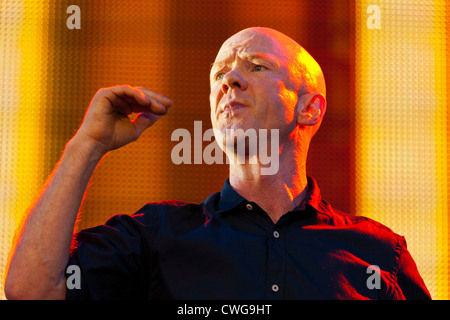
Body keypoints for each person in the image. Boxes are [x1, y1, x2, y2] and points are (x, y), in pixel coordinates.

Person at [5, 27, 431, 300]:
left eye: (257, 66)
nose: (230, 80)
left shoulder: (378, 254)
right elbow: (31, 292)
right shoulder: (154, 238)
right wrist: (87, 145)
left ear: (309, 110)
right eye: (220, 74)